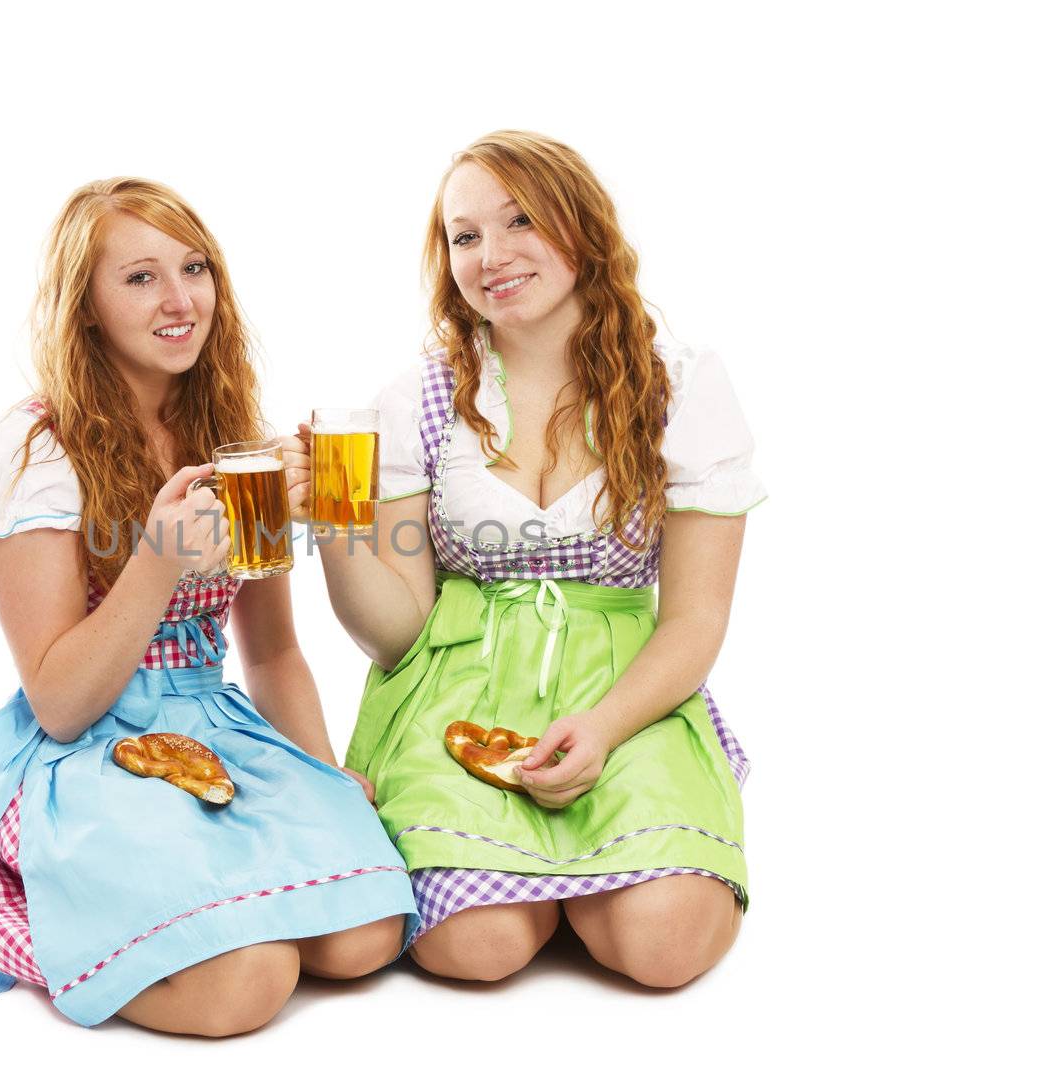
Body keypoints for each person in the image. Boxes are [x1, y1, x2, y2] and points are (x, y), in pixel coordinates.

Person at [0, 177, 416, 1034]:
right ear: (84, 307)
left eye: (194, 269)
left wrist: (318, 767)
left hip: (216, 726)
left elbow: (271, 653)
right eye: (139, 277)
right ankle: (61, 924)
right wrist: (156, 561)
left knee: (365, 937)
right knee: (248, 982)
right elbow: (58, 702)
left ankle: (213, 902)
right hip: (91, 749)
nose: (179, 299)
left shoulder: (232, 434)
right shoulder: (33, 446)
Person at [304, 131, 764, 989]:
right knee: (475, 949)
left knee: (664, 948)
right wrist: (333, 521)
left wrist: (602, 728)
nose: (492, 255)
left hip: (628, 690)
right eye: (465, 235)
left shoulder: (681, 385)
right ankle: (544, 889)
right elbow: (399, 630)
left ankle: (585, 884)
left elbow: (696, 618)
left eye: (521, 220)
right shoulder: (420, 397)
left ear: (582, 227)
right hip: (458, 690)